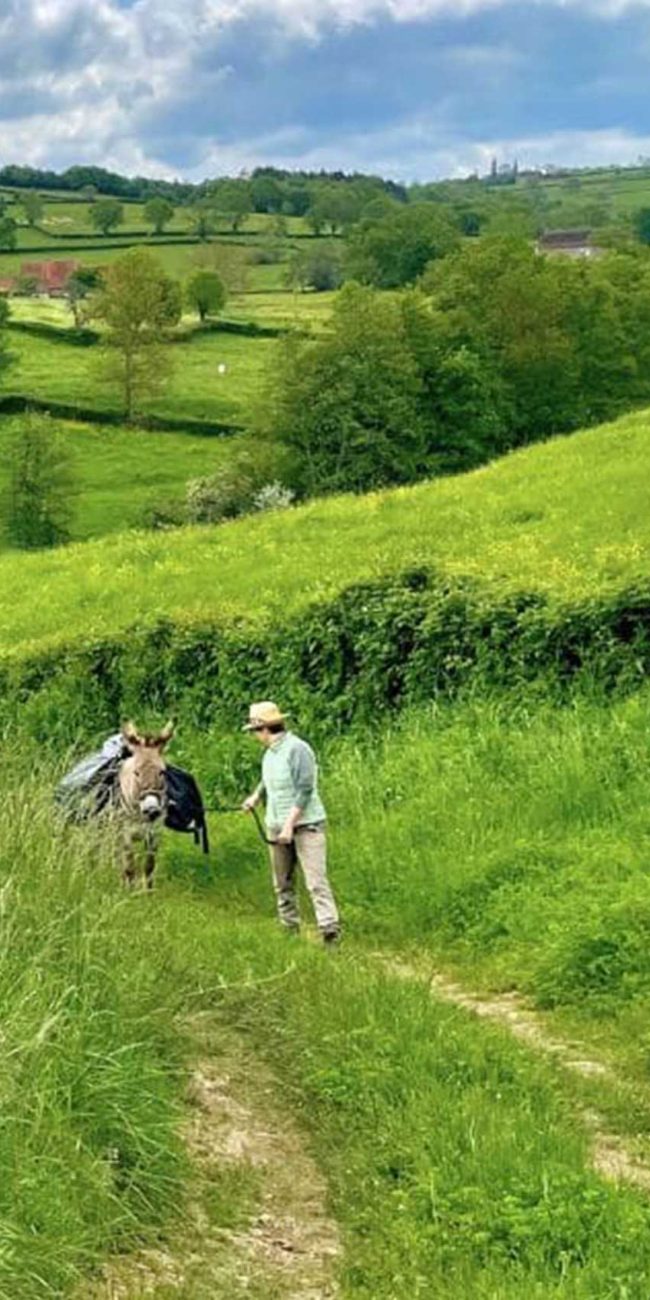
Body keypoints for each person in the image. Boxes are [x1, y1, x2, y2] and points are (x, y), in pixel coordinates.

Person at [241, 701, 341, 945]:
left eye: (254, 731)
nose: (254, 736)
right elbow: (268, 780)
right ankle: (289, 928)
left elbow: (305, 789)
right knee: (282, 882)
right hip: (276, 824)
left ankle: (329, 930)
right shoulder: (269, 755)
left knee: (316, 881)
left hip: (306, 826)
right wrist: (255, 797)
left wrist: (289, 824)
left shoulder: (298, 749)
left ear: (264, 729)